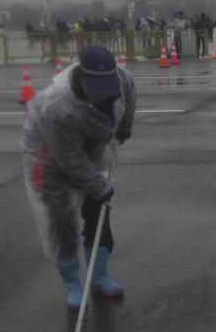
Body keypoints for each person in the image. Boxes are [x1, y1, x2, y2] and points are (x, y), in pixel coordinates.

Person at [22, 46, 137, 308]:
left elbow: (129, 93)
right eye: (95, 88)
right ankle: (73, 284)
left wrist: (125, 126)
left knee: (99, 215)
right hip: (50, 156)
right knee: (62, 223)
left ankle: (99, 276)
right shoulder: (56, 105)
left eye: (105, 87)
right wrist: (101, 187)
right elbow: (70, 159)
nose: (101, 94)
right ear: (81, 78)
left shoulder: (120, 78)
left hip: (93, 149)